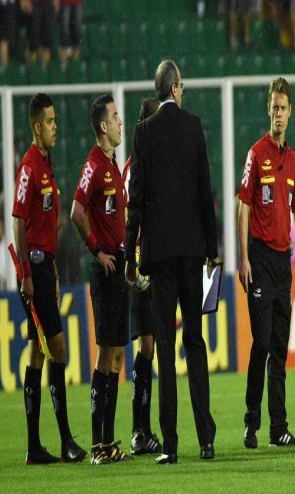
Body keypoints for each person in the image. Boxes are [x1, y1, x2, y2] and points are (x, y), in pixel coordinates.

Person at [125, 59, 221, 465]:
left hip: (160, 255)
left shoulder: (144, 133)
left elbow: (137, 200)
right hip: (192, 252)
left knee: (165, 346)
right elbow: (206, 193)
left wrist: (132, 254)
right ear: (176, 88)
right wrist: (212, 250)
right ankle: (207, 439)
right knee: (195, 342)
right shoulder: (194, 126)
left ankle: (170, 444)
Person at [238, 77, 295, 450]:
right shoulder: (257, 154)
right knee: (261, 342)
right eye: (275, 108)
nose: (279, 115)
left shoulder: (292, 160)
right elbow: (244, 208)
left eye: (284, 109)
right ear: (268, 110)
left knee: (281, 345)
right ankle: (251, 420)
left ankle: (278, 428)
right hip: (259, 259)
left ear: (289, 112)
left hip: (284, 262)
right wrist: (243, 258)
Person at [12, 93, 86, 465]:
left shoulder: (45, 165)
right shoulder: (29, 168)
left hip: (44, 268)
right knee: (57, 350)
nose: (57, 127)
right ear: (37, 126)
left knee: (39, 352)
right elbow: (19, 221)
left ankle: (34, 446)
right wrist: (27, 274)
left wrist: (49, 269)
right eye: (52, 121)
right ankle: (64, 441)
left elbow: (40, 228)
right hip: (34, 272)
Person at [71, 94, 132, 465]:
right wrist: (96, 250)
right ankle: (98, 445)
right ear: (102, 127)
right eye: (114, 116)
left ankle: (108, 443)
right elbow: (77, 210)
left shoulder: (112, 164)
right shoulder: (94, 165)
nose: (120, 121)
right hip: (106, 268)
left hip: (119, 264)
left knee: (117, 354)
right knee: (105, 353)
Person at [122, 97, 161, 456]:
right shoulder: (136, 166)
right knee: (145, 345)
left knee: (150, 345)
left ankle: (144, 429)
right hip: (139, 264)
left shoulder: (143, 163)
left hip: (149, 260)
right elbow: (130, 216)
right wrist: (134, 260)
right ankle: (138, 429)